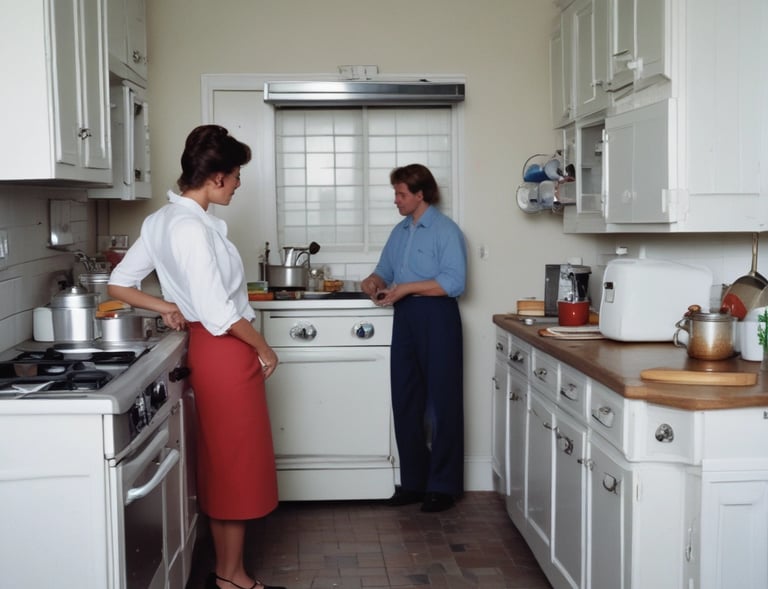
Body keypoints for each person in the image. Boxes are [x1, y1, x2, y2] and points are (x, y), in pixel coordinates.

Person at [108, 125, 284, 589]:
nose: (240, 183)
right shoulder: (189, 227)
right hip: (225, 348)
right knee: (235, 463)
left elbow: (119, 283)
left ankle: (229, 572)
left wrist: (166, 305)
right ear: (217, 177)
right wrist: (263, 347)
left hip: (214, 347)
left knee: (229, 462)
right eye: (237, 174)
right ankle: (232, 576)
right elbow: (217, 311)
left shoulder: (163, 220)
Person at [360, 163, 467, 513]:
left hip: (438, 317)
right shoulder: (400, 232)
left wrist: (406, 288)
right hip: (405, 318)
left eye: (401, 193)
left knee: (442, 403)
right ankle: (414, 482)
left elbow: (454, 282)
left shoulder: (446, 231)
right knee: (405, 399)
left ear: (421, 194)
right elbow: (384, 271)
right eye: (396, 193)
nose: (396, 200)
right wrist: (373, 282)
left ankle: (444, 486)